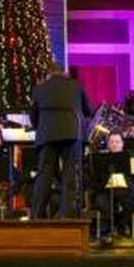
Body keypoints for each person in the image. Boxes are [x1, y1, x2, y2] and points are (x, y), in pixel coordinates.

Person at [29, 61, 93, 219]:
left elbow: (33, 116)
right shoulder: (76, 85)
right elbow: (88, 110)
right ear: (63, 72)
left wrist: (41, 127)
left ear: (48, 74)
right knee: (70, 174)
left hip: (47, 135)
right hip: (72, 133)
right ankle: (67, 215)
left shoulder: (40, 88)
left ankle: (37, 214)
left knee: (44, 174)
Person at [93, 132, 134, 241]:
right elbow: (96, 177)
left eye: (117, 142)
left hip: (125, 188)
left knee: (133, 200)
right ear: (108, 144)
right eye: (112, 142)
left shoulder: (131, 156)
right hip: (105, 188)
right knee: (103, 203)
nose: (114, 144)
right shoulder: (100, 158)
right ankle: (106, 231)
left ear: (122, 144)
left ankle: (120, 223)